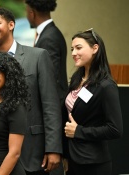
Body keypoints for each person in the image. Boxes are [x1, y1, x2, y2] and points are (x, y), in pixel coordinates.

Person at [0, 7, 62, 175]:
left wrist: (53, 148)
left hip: (34, 152)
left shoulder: (38, 56)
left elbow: (51, 105)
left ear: (11, 24)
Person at [63, 29, 123, 175]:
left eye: (78, 48)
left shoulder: (106, 86)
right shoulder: (77, 79)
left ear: (95, 48)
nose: (73, 53)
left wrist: (79, 131)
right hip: (73, 159)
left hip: (93, 164)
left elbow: (115, 129)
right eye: (72, 49)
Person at [25, 0, 68, 107]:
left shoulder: (49, 38)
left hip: (51, 107)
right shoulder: (49, 33)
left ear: (31, 12)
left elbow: (49, 78)